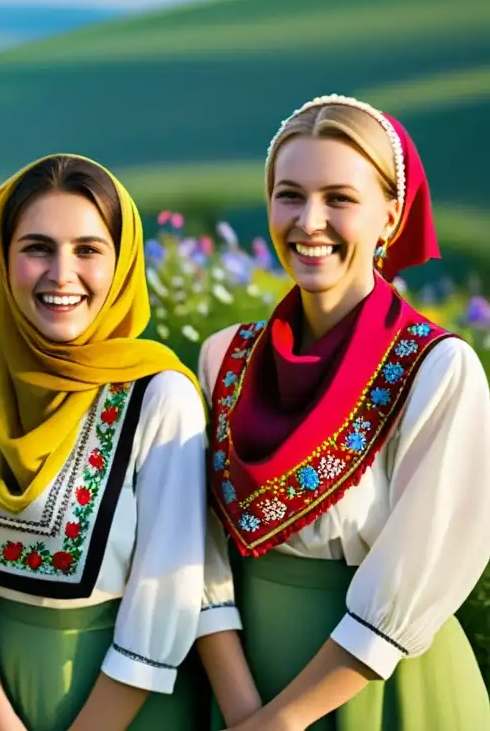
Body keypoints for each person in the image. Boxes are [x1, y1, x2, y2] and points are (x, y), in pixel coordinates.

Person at [199, 94, 490, 730]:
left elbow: (416, 572)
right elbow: (200, 553)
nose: (309, 221)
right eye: (290, 195)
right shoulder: (225, 356)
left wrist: (281, 722)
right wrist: (244, 710)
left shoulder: (436, 370)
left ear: (391, 215)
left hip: (379, 694)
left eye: (340, 198)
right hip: (241, 686)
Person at [0, 153, 224, 731]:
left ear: (121, 263)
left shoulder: (160, 399)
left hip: (127, 704)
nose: (61, 273)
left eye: (88, 250)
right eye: (36, 247)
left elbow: (166, 597)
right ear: (4, 257)